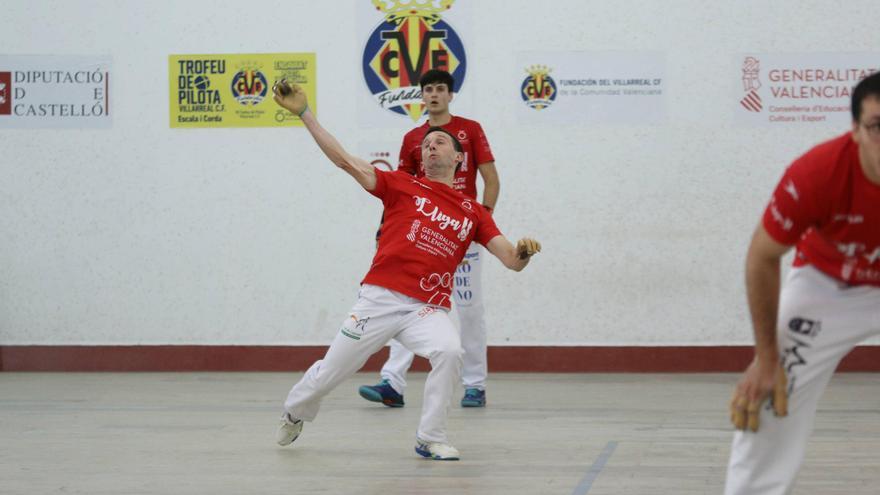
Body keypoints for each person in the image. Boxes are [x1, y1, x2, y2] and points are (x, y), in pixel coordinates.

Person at [270, 79, 541, 460]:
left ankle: (430, 437)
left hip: (425, 308)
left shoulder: (474, 213)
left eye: (440, 143)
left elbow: (511, 260)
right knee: (331, 373)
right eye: (426, 145)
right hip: (378, 299)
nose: (430, 147)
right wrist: (304, 113)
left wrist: (524, 253)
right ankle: (294, 411)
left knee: (449, 349)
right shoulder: (400, 185)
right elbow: (344, 160)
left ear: (459, 159)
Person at [725, 71, 880, 494]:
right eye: (879, 127)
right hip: (827, 285)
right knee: (772, 394)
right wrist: (766, 357)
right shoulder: (818, 173)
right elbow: (762, 255)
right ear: (855, 131)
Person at [359, 69, 500, 409]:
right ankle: (392, 381)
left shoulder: (471, 130)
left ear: (450, 95)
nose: (434, 94)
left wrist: (480, 226)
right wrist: (384, 230)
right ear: (421, 96)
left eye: (440, 89)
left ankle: (475, 384)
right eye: (428, 90)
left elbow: (491, 180)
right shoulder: (412, 139)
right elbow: (398, 191)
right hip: (423, 237)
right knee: (409, 303)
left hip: (462, 236)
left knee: (469, 310)